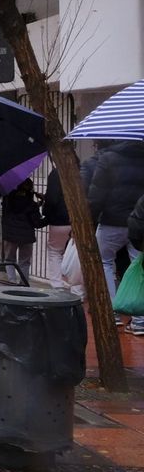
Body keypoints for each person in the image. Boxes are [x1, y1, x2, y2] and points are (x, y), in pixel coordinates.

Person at [87, 139, 144, 332]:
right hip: (139, 221)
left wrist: (91, 219)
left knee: (104, 262)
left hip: (112, 221)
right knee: (140, 265)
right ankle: (140, 320)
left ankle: (112, 312)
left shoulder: (108, 158)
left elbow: (97, 194)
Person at [1, 179, 41, 278]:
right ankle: (24, 283)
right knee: (25, 262)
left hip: (10, 236)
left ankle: (12, 282)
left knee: (9, 260)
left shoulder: (7, 201)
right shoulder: (32, 204)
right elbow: (37, 223)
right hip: (27, 237)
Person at [42, 170, 72, 289]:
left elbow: (52, 198)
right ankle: (73, 284)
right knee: (72, 252)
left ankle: (57, 285)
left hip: (59, 220)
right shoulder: (81, 170)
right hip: (77, 220)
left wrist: (46, 211)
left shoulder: (56, 173)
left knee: (55, 252)